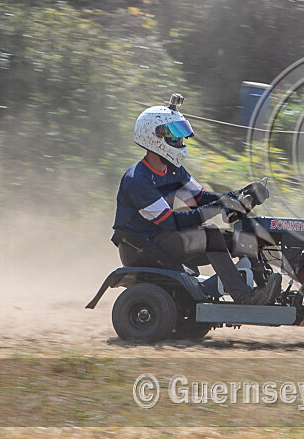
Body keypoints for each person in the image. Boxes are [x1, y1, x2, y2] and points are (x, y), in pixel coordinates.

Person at [112, 94, 280, 305]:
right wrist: (220, 206)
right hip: (144, 247)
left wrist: (239, 194)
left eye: (181, 135)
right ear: (152, 137)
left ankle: (265, 288)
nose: (180, 141)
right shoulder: (138, 179)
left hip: (165, 239)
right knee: (210, 235)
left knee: (240, 236)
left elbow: (200, 198)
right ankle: (244, 296)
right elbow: (171, 223)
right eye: (174, 136)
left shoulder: (173, 171)